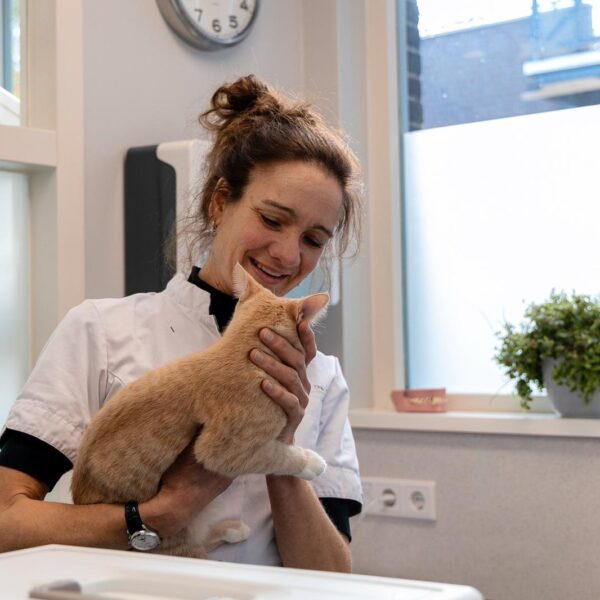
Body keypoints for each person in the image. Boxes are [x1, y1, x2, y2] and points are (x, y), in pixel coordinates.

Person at [0, 74, 364, 571]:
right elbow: (6, 524)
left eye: (313, 240)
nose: (287, 253)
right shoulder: (102, 332)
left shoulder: (321, 378)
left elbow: (332, 576)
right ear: (219, 203)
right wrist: (157, 514)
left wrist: (279, 446)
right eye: (272, 219)